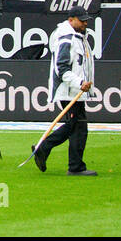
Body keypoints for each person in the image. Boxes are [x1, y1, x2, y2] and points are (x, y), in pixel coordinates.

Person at [33, 12, 97, 176]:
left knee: (78, 126)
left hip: (75, 90)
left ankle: (75, 166)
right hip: (69, 90)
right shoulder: (66, 38)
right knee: (75, 125)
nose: (85, 23)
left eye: (86, 20)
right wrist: (80, 83)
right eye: (81, 20)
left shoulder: (78, 37)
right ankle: (44, 148)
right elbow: (62, 69)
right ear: (71, 20)